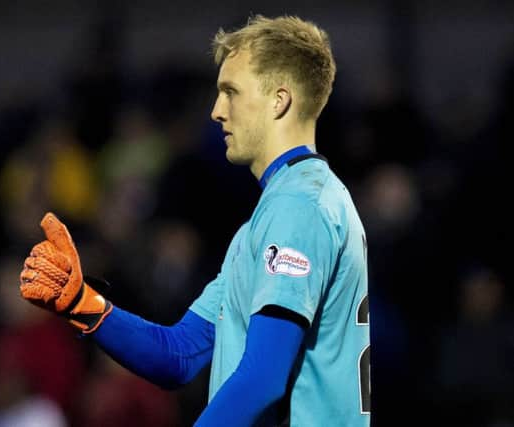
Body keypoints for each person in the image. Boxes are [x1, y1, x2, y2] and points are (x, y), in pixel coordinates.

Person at [20, 15, 370, 426]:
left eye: (231, 92)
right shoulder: (282, 210)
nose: (216, 111)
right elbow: (180, 353)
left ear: (280, 99)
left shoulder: (299, 206)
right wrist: (83, 303)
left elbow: (263, 379)